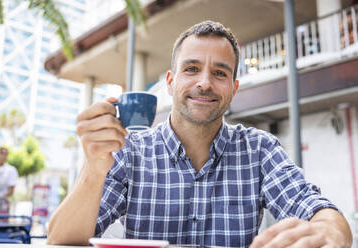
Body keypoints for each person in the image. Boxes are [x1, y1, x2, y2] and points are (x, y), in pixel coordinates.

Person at [47, 21, 352, 247]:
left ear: (233, 89)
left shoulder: (259, 150)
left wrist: (330, 231)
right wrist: (93, 168)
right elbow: (61, 241)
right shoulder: (129, 151)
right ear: (170, 82)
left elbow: (318, 211)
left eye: (220, 72)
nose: (204, 82)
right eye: (191, 68)